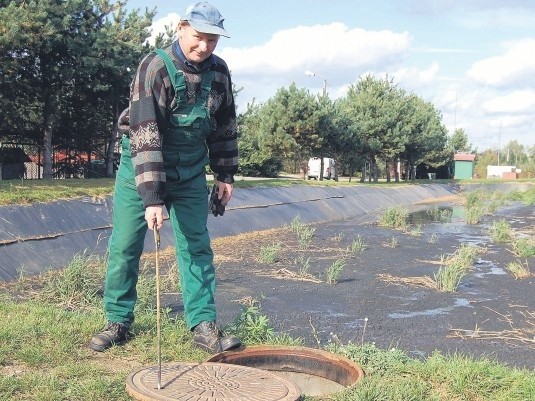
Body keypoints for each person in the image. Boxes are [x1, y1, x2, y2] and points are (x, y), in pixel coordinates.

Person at [89, 1, 241, 354]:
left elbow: (226, 126)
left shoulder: (219, 73)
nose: (204, 47)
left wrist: (225, 174)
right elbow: (145, 132)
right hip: (141, 168)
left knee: (196, 247)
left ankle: (203, 325)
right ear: (182, 28)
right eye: (199, 38)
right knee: (126, 246)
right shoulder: (154, 67)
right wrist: (153, 196)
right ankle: (118, 320)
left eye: (213, 41)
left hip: (190, 172)